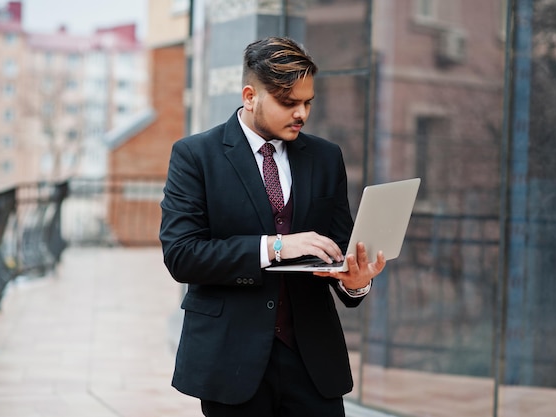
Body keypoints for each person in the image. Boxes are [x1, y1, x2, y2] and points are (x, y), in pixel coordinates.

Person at [159, 36, 386, 417]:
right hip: (231, 359)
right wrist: (276, 246)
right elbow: (182, 256)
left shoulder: (326, 158)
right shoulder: (195, 156)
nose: (302, 114)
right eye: (288, 102)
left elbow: (341, 251)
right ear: (250, 96)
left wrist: (356, 281)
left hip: (313, 360)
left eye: (307, 102)